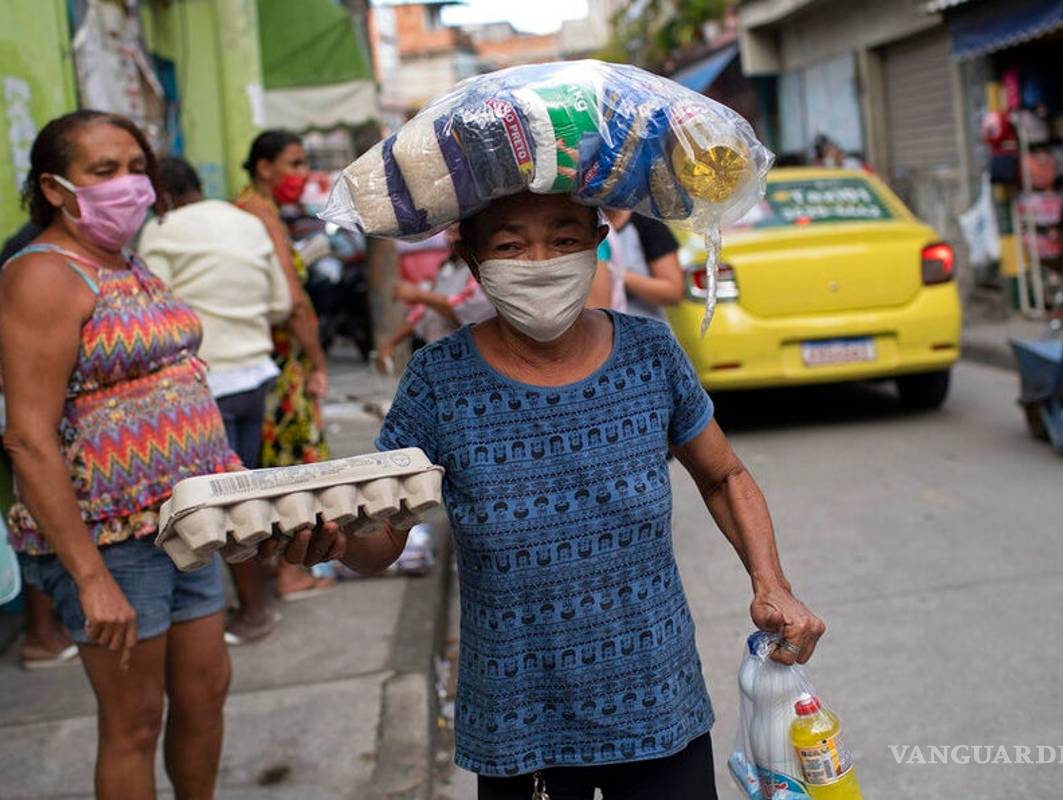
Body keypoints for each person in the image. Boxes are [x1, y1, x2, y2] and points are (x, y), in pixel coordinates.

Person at [277, 191, 825, 799]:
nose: (540, 263)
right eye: (511, 245)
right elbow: (383, 537)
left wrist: (771, 582)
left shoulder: (650, 355)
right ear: (471, 256)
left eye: (564, 239)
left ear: (597, 241)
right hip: (519, 721)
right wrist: (337, 542)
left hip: (655, 702)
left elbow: (724, 476)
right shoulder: (438, 380)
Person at [0, 110, 238, 799]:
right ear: (57, 188)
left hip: (186, 521)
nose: (129, 184)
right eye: (104, 171)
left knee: (206, 692)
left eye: (136, 167)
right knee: (133, 721)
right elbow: (29, 438)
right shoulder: (43, 276)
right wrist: (90, 575)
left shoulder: (126, 261)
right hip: (112, 538)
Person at [138, 157, 293, 644]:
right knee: (243, 490)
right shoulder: (245, 223)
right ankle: (256, 598)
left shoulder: (160, 231)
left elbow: (150, 310)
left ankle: (253, 611)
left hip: (202, 387)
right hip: (255, 375)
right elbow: (280, 305)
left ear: (157, 195)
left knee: (220, 507)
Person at [0, 221, 80, 670]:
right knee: (45, 506)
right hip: (0, 396)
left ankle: (48, 629)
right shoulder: (45, 260)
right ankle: (42, 635)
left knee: (41, 503)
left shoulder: (29, 247)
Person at [236, 130, 334, 599]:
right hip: (280, 362)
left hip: (268, 358)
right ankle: (292, 573)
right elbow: (293, 303)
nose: (299, 175)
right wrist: (318, 362)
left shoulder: (257, 212)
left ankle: (286, 570)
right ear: (263, 166)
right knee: (296, 469)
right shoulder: (259, 215)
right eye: (292, 164)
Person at [376, 223, 495, 373]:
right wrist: (391, 344)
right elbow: (423, 313)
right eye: (448, 232)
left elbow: (465, 309)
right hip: (441, 357)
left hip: (469, 359)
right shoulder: (446, 267)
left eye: (456, 233)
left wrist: (418, 294)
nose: (450, 238)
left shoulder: (479, 270)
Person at [588, 208, 683, 321]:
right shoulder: (585, 226)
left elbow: (673, 293)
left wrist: (618, 275)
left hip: (646, 331)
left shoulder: (647, 224)